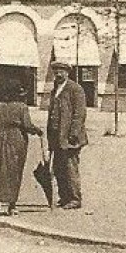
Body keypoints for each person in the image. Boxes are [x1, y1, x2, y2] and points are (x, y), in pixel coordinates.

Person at [0, 79, 44, 216]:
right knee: (14, 171)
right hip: (15, 139)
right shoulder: (21, 107)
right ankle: (11, 206)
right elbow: (27, 126)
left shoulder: (0, 106)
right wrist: (38, 131)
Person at [45, 66, 89, 209]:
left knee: (70, 167)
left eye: (61, 71)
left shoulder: (75, 89)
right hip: (56, 137)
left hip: (70, 138)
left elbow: (79, 113)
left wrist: (73, 134)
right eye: (56, 71)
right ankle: (64, 197)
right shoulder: (55, 90)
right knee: (58, 168)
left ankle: (75, 199)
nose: (58, 74)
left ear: (67, 73)